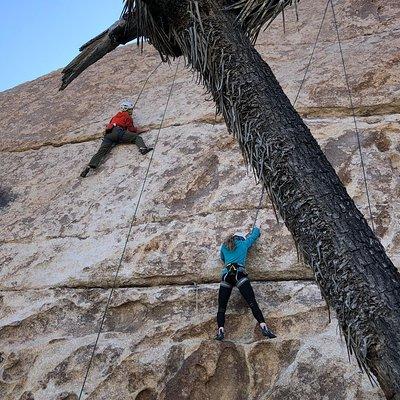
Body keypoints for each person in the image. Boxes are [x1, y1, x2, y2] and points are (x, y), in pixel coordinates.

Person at [216, 227, 276, 341]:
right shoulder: (244, 243)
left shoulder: (224, 246)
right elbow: (255, 235)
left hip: (226, 275)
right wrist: (255, 229)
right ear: (241, 238)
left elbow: (222, 258)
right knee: (252, 303)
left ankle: (220, 330)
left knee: (222, 307)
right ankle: (264, 326)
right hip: (239, 274)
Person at [80, 100, 153, 177]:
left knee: (101, 151)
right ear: (126, 109)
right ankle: (143, 149)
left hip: (108, 135)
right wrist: (143, 130)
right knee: (136, 137)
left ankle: (89, 166)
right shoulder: (127, 116)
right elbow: (132, 130)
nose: (132, 111)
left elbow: (109, 125)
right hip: (118, 132)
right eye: (130, 109)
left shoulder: (114, 117)